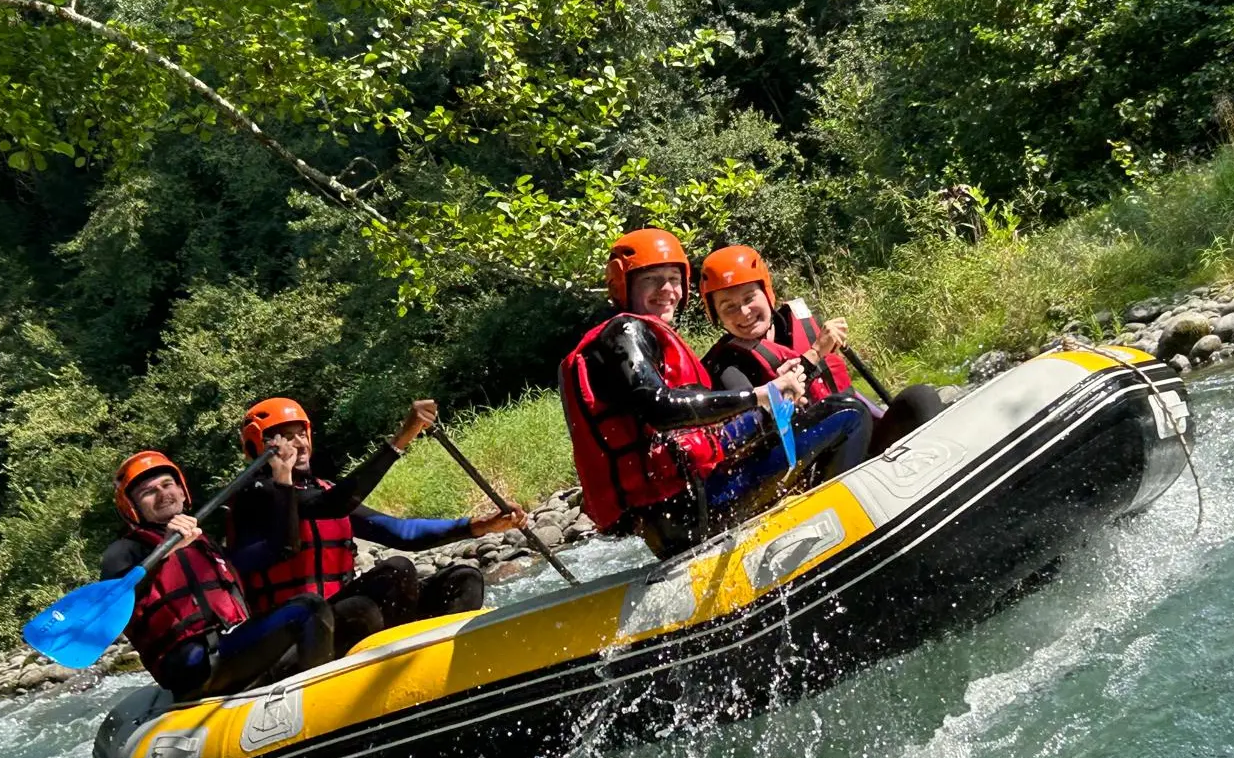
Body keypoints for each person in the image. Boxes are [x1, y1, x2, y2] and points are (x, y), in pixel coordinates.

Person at [559, 228, 873, 558]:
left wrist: (773, 402)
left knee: (799, 415)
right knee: (848, 413)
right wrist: (760, 395)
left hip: (675, 513)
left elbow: (701, 429)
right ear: (624, 285)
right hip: (690, 510)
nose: (667, 290)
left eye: (673, 278)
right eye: (652, 279)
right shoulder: (624, 331)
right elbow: (660, 408)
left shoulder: (635, 339)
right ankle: (841, 543)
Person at [227, 397, 525, 657]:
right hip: (297, 634)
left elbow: (400, 533)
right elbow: (332, 506)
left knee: (464, 578)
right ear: (260, 447)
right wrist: (400, 440)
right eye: (283, 437)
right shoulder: (256, 495)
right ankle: (402, 660)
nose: (298, 444)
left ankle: (446, 664)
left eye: (300, 433)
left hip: (343, 616)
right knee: (392, 574)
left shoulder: (323, 491)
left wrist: (480, 526)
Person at [100, 450, 335, 701]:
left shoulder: (206, 545)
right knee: (307, 609)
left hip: (235, 646)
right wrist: (165, 551)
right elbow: (113, 607)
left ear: (182, 492)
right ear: (133, 508)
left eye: (168, 484)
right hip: (194, 665)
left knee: (355, 608)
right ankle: (320, 702)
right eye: (149, 492)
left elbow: (283, 548)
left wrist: (283, 477)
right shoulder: (123, 551)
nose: (163, 493)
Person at [698, 244, 945, 454]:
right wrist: (815, 353)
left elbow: (839, 387)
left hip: (863, 432)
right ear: (716, 315)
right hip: (816, 461)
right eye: (728, 307)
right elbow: (759, 425)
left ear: (766, 292)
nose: (744, 312)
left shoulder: (799, 320)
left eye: (749, 298)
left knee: (920, 399)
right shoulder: (726, 366)